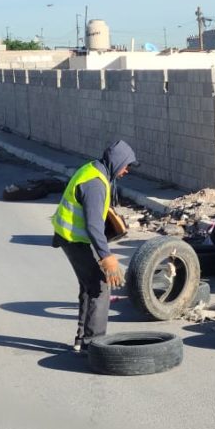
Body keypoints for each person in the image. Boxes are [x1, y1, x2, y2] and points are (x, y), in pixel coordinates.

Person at [52, 140, 138, 351]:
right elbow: (93, 225)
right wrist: (106, 256)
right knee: (100, 287)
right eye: (126, 165)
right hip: (74, 239)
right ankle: (94, 345)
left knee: (88, 286)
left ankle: (82, 340)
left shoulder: (93, 169)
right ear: (117, 162)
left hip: (71, 237)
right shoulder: (95, 183)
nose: (127, 171)